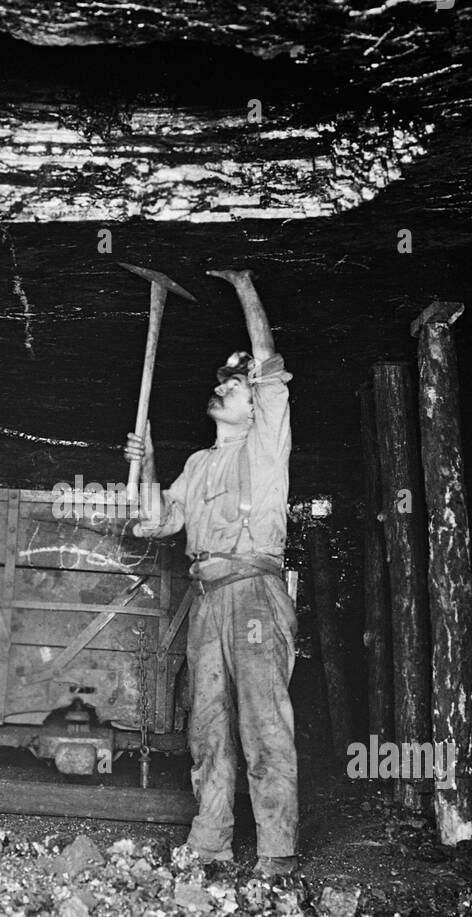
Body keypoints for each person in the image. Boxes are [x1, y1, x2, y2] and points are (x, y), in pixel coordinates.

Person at [123, 268, 298, 880]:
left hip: (254, 595)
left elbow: (270, 364)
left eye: (235, 384)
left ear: (256, 406)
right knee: (207, 725)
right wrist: (143, 470)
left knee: (263, 720)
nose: (223, 388)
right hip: (207, 597)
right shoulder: (198, 464)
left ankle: (276, 851)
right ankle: (211, 842)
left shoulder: (266, 446)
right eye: (221, 382)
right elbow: (156, 525)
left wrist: (246, 286)